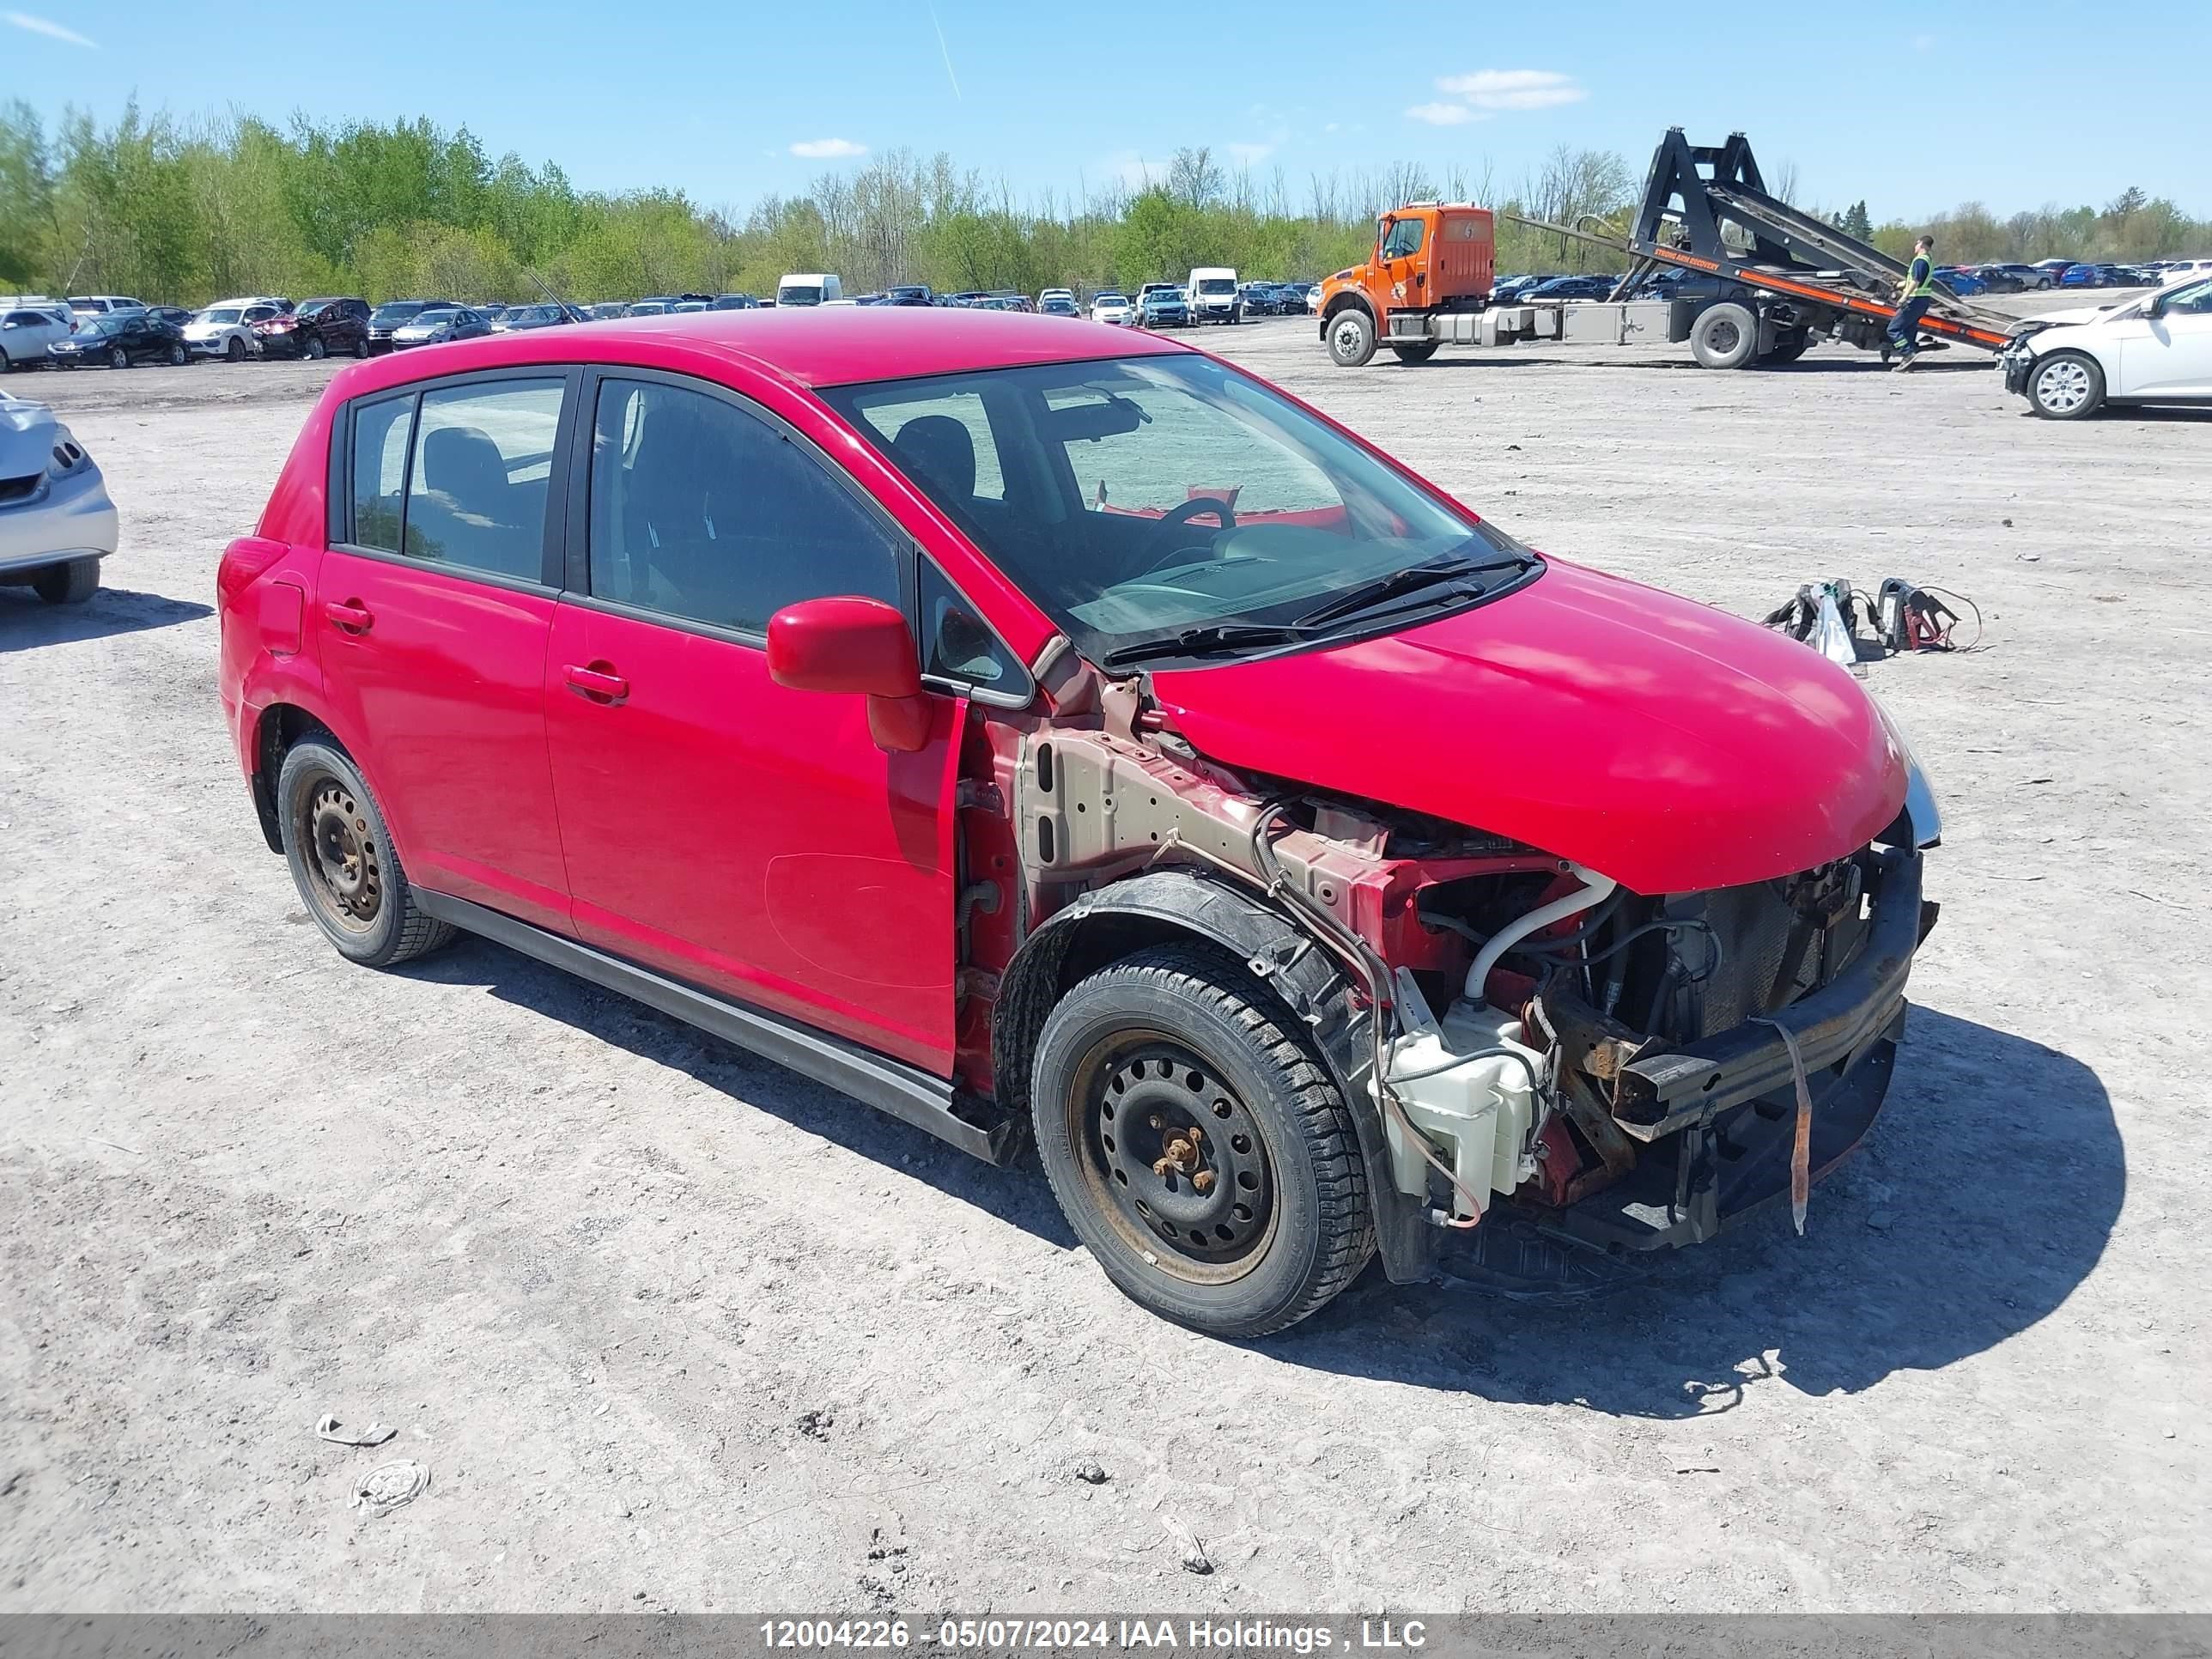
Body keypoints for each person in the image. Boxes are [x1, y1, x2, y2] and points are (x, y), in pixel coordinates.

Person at [1889, 235, 1937, 370]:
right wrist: (1897, 285)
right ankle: (1908, 362)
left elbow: (1915, 282)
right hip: (1922, 300)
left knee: (1893, 329)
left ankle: (1907, 353)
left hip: (1914, 300)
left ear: (1922, 244)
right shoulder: (1928, 260)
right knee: (1909, 330)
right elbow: (1915, 281)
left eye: (1916, 244)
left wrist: (1904, 297)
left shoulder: (1920, 261)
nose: (1914, 246)